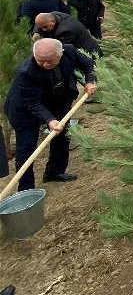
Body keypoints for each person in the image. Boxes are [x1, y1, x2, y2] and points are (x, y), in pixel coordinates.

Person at [4, 39, 97, 191]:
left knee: (62, 135)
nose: (46, 65)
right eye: (41, 61)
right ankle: (26, 189)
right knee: (27, 148)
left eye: (50, 61)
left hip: (55, 101)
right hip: (24, 110)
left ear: (60, 54)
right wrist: (50, 120)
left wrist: (90, 81)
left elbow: (88, 64)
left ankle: (55, 172)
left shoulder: (70, 51)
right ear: (34, 55)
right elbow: (32, 103)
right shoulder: (25, 72)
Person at [32, 12, 102, 57]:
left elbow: (57, 49)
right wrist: (36, 32)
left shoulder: (66, 30)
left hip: (89, 54)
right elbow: (40, 21)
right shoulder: (53, 15)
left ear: (52, 21)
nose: (43, 30)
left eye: (45, 27)